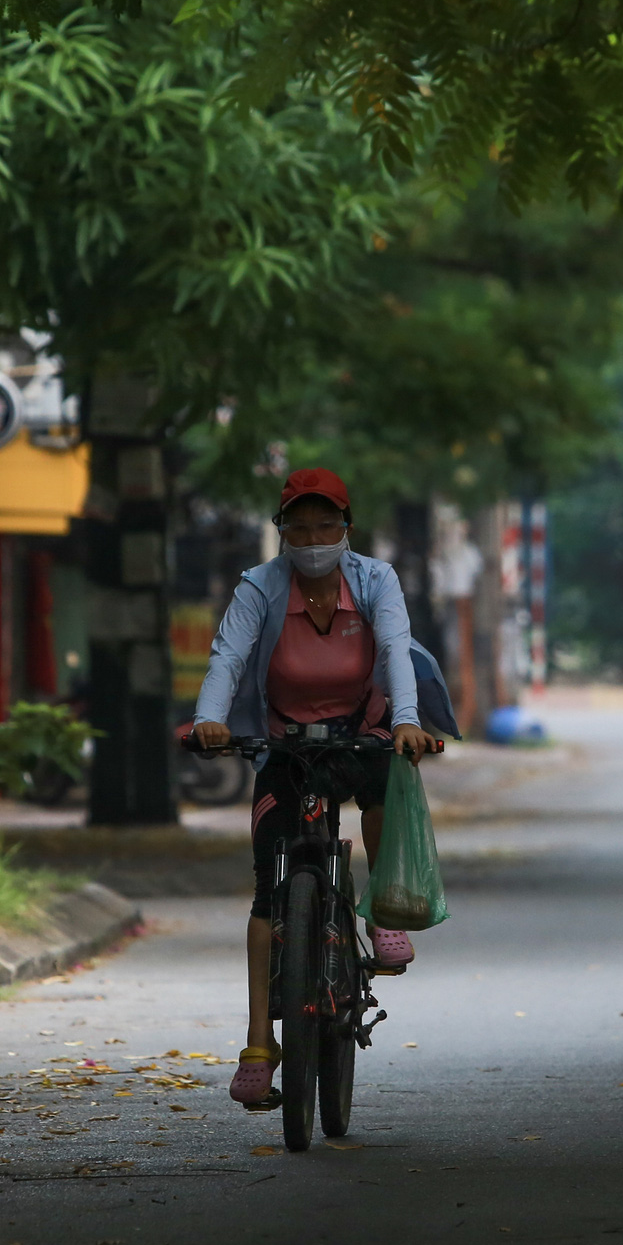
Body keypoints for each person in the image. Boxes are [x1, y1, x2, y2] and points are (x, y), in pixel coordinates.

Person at [192, 467, 442, 1107]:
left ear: (345, 528)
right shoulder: (260, 586)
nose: (311, 537)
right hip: (284, 742)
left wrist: (407, 723)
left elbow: (395, 648)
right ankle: (257, 1043)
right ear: (281, 532)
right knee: (266, 895)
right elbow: (228, 656)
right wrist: (209, 721)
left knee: (385, 784)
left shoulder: (375, 580)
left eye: (324, 524)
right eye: (297, 526)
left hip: (361, 731)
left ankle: (383, 911)